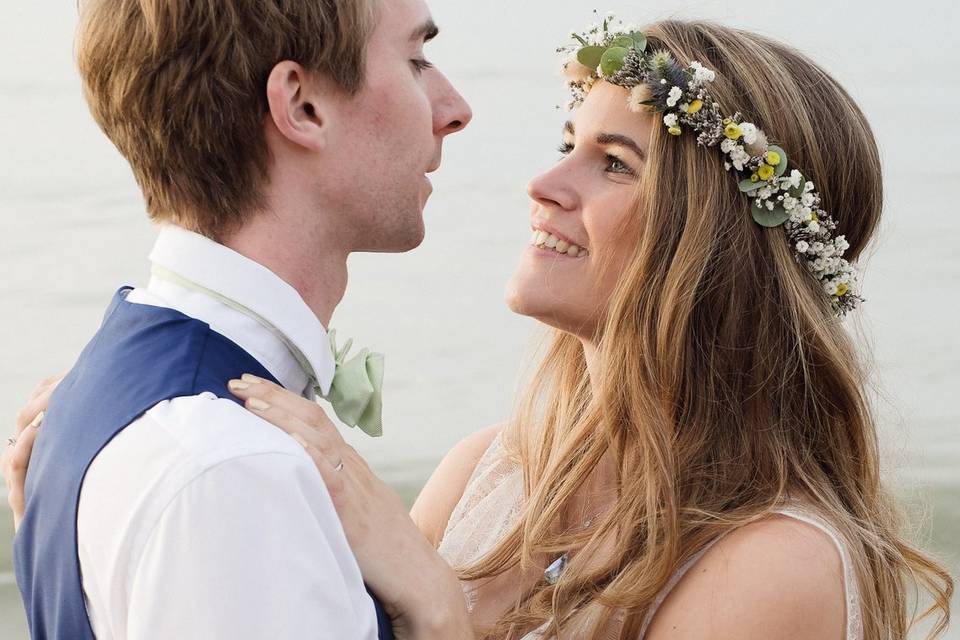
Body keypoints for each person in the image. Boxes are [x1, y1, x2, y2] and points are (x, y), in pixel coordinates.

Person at [7, 13, 955, 640]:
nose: (543, 184)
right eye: (564, 145)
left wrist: (437, 610)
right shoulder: (486, 472)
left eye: (614, 164)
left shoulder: (776, 562)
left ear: (715, 244)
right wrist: (92, 544)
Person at [1, 0, 473, 638]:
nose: (455, 110)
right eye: (415, 60)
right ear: (302, 107)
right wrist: (440, 614)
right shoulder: (230, 470)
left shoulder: (110, 390)